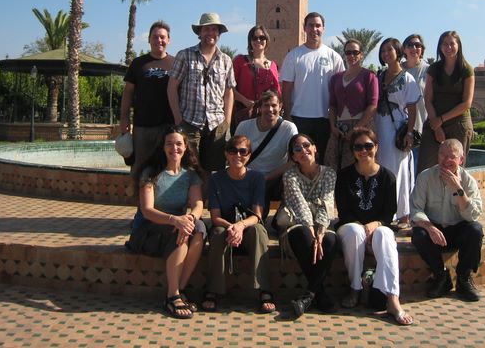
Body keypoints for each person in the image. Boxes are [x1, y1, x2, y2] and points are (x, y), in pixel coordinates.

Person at [335, 127, 414, 326]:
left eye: (368, 146)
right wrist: (362, 227)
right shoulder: (344, 176)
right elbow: (344, 212)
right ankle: (355, 288)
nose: (364, 151)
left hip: (379, 226)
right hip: (351, 227)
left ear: (376, 147)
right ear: (353, 151)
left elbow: (389, 213)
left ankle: (392, 299)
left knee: (385, 235)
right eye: (358, 147)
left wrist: (375, 224)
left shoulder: (388, 177)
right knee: (354, 232)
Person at [126, 129, 206, 319]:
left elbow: (198, 204)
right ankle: (173, 296)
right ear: (162, 147)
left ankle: (178, 290)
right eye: (169, 143)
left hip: (177, 226)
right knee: (179, 231)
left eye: (178, 144)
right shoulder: (150, 173)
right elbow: (147, 210)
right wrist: (175, 220)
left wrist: (190, 219)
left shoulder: (190, 174)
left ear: (186, 147)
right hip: (149, 230)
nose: (174, 148)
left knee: (200, 229)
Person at [202, 135, 275, 314]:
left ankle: (263, 288)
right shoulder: (216, 179)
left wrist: (241, 226)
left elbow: (257, 215)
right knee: (217, 233)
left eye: (243, 151)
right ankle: (213, 289)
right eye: (233, 151)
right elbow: (215, 216)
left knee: (258, 231)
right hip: (225, 226)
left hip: (248, 226)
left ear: (249, 155)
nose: (238, 155)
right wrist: (232, 228)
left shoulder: (257, 178)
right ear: (226, 154)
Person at [410, 138, 484, 302]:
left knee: (476, 230)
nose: (446, 160)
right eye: (442, 155)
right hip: (434, 230)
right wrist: (430, 227)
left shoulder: (468, 181)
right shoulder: (425, 177)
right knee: (418, 234)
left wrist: (458, 189)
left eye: (451, 156)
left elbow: (473, 215)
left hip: (458, 229)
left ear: (461, 159)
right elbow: (415, 210)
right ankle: (441, 276)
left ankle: (464, 278)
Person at [168, 12, 236, 173]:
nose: (210, 33)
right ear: (200, 32)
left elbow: (229, 92)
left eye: (214, 29)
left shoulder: (226, 60)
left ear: (219, 33)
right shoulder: (185, 55)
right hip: (190, 122)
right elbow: (171, 87)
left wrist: (226, 122)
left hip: (216, 124)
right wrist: (178, 119)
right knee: (189, 170)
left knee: (215, 171)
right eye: (206, 29)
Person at [280, 133, 338, 316]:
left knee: (329, 241)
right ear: (294, 157)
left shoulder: (329, 173)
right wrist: (311, 230)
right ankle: (319, 294)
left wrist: (320, 231)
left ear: (315, 148)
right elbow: (299, 205)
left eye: (306, 145)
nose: (303, 150)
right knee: (304, 237)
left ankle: (309, 295)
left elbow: (327, 203)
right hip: (297, 221)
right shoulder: (290, 175)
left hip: (323, 221)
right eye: (298, 149)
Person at [280, 12, 345, 164]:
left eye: (318, 26)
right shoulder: (294, 56)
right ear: (304, 28)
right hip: (298, 117)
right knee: (298, 160)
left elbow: (340, 90)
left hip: (325, 118)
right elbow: (286, 89)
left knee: (321, 160)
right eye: (310, 25)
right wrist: (288, 116)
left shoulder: (333, 57)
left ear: (323, 29)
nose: (314, 29)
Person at [374, 37, 420, 226]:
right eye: (383, 50)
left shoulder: (407, 79)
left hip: (396, 133)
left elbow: (412, 109)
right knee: (380, 170)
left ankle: (402, 213)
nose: (386, 53)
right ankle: (382, 212)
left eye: (389, 50)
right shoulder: (378, 76)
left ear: (398, 52)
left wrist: (409, 133)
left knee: (398, 172)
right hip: (378, 130)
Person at [119, 21, 175, 176]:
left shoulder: (176, 63)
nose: (159, 40)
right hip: (142, 126)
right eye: (155, 37)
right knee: (139, 168)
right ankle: (137, 192)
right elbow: (128, 92)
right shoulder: (138, 63)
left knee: (165, 168)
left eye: (162, 37)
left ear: (169, 40)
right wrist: (124, 118)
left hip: (168, 126)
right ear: (149, 39)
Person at [418, 31, 475, 175]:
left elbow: (466, 103)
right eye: (445, 44)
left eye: (452, 44)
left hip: (459, 124)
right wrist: (436, 125)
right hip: (434, 123)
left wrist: (441, 119)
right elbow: (428, 99)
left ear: (458, 46)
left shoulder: (466, 69)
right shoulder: (434, 69)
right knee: (425, 170)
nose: (448, 47)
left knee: (454, 170)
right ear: (440, 47)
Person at [235, 89, 298, 215]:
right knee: (254, 214)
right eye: (266, 105)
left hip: (275, 178)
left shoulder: (289, 128)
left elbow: (294, 160)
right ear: (260, 108)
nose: (270, 109)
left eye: (274, 105)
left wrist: (267, 177)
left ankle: (286, 215)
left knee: (293, 177)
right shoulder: (244, 126)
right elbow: (235, 155)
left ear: (280, 106)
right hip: (249, 177)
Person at [324, 38, 379, 171]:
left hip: (362, 126)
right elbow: (332, 105)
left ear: (361, 54)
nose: (351, 56)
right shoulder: (336, 78)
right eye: (348, 52)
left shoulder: (369, 76)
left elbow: (372, 105)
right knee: (332, 164)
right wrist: (333, 126)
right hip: (339, 128)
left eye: (355, 52)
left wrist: (356, 129)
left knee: (359, 165)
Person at [231, 25, 281, 133]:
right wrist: (245, 101)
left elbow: (277, 92)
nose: (258, 40)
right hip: (244, 114)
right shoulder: (240, 61)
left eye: (262, 38)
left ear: (266, 40)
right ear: (250, 41)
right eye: (254, 38)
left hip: (266, 115)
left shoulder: (272, 65)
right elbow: (230, 88)